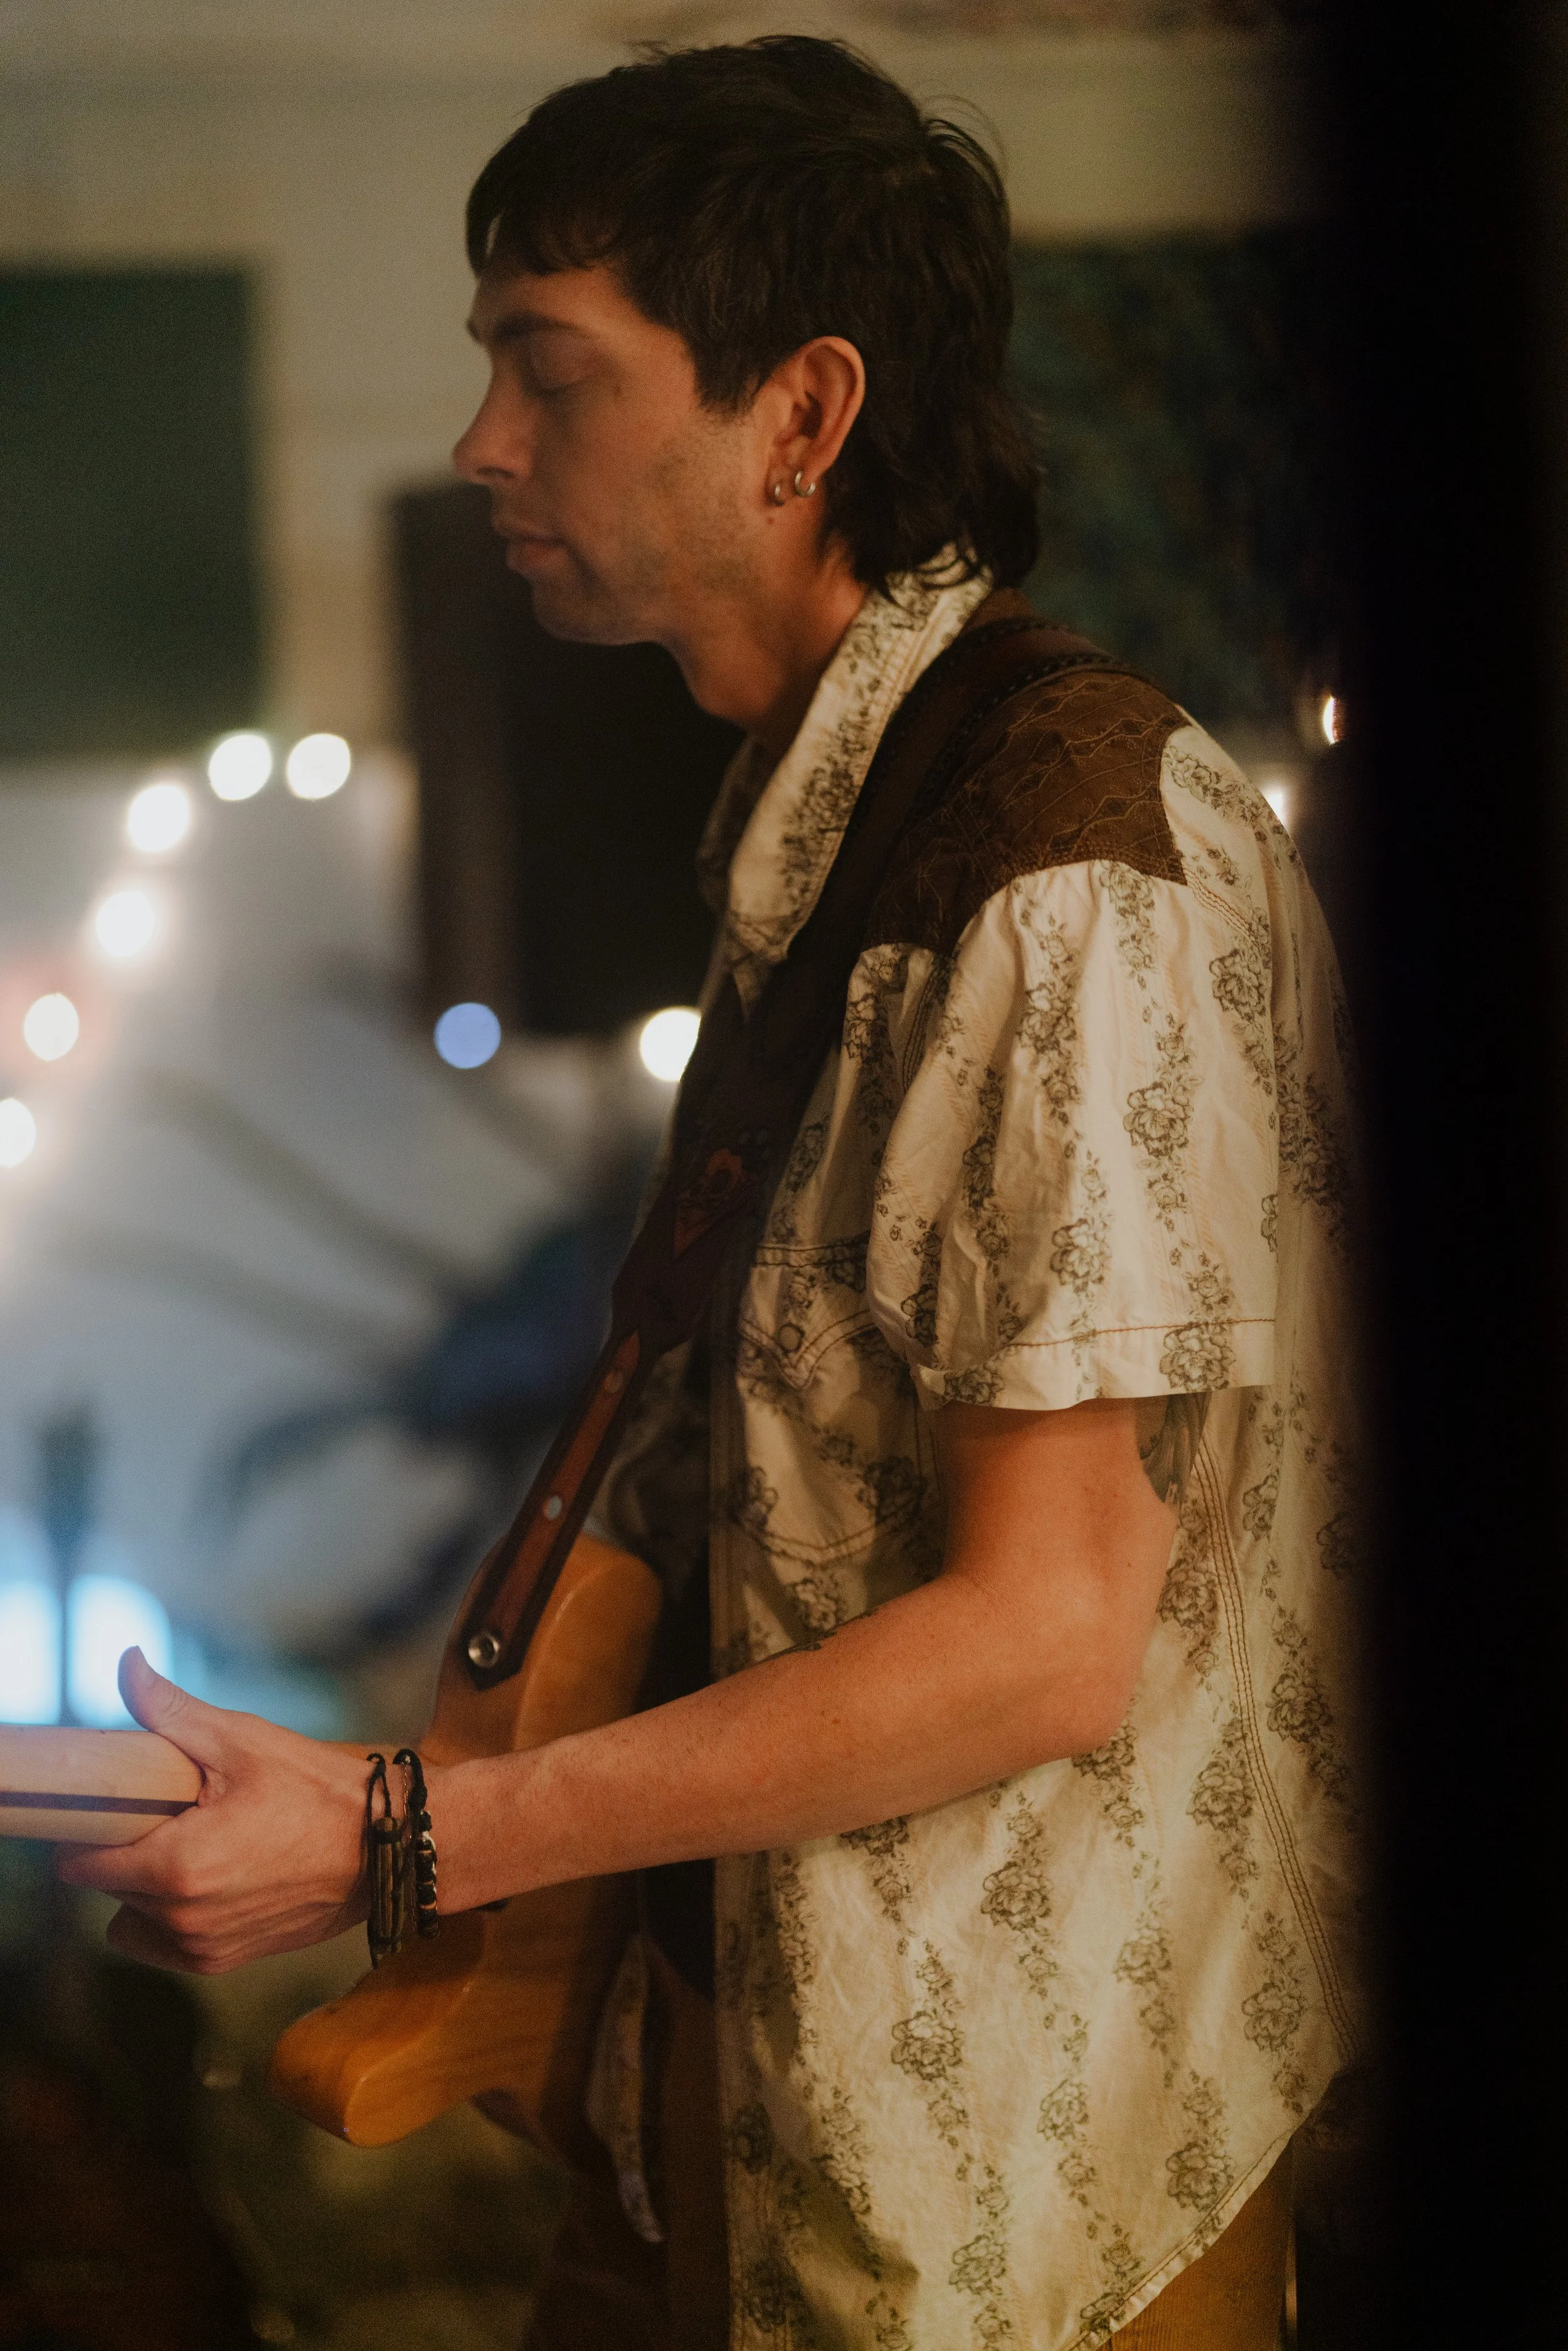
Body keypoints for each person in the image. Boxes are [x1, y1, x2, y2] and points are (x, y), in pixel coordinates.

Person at [61, 38, 1365, 2351]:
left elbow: (1046, 1631)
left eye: (546, 371)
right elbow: (728, 1485)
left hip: (1020, 2212)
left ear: (800, 415)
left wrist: (407, 1832)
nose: (481, 445)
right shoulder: (822, 819)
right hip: (768, 2124)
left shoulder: (1065, 861)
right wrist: (382, 1784)